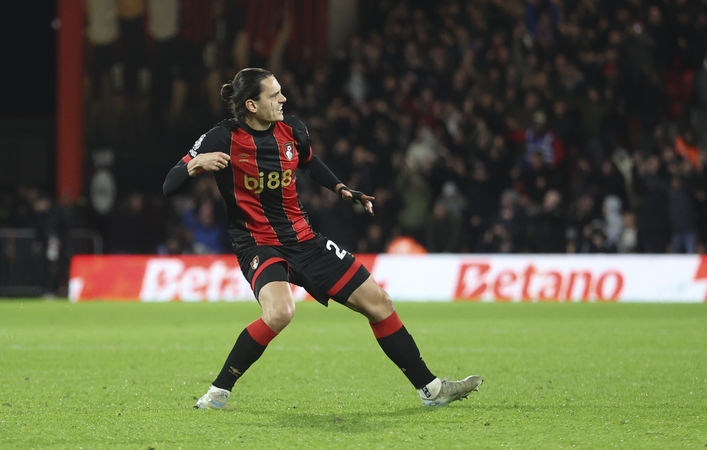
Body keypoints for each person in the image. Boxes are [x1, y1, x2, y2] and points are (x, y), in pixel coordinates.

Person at [163, 68, 482, 410]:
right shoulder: (221, 138)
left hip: (305, 239)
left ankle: (430, 390)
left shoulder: (293, 129)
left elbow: (310, 163)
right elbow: (170, 185)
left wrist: (342, 189)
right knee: (280, 312)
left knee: (380, 303)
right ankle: (217, 394)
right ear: (252, 105)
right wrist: (196, 164)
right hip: (259, 244)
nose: (283, 99)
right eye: (274, 95)